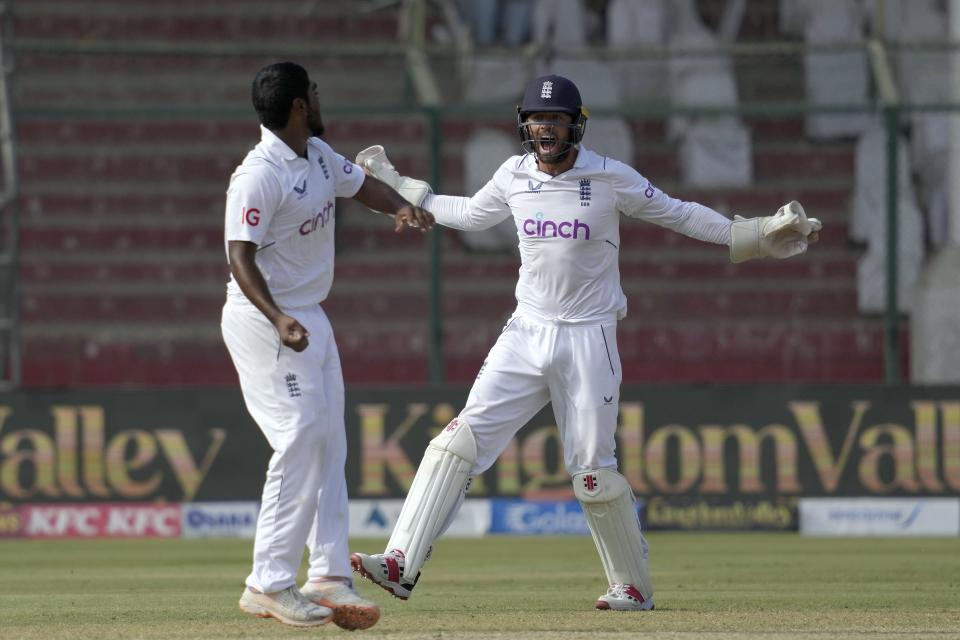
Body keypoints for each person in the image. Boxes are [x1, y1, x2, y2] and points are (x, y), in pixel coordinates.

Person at [350, 74, 821, 611]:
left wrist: (754, 235)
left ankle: (633, 586)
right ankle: (400, 563)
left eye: (555, 119)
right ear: (524, 125)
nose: (545, 128)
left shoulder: (609, 176)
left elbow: (678, 212)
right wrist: (395, 190)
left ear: (575, 125)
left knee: (593, 473)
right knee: (457, 441)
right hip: (525, 332)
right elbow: (466, 214)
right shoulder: (513, 174)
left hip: (588, 337)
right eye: (536, 119)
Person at [220, 61, 434, 629]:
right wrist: (279, 318)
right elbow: (239, 257)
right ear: (297, 105)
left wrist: (402, 207)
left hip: (309, 315)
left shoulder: (315, 153)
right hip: (266, 320)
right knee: (301, 436)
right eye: (312, 93)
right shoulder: (259, 174)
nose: (318, 100)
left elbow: (361, 185)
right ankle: (267, 583)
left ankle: (329, 576)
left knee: (330, 441)